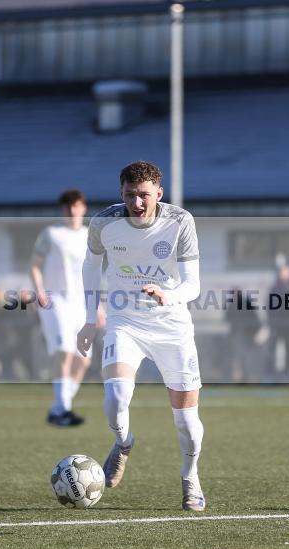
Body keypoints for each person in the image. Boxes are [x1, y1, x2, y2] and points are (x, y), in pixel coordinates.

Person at [77, 161, 205, 512]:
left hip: (172, 326)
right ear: (121, 193)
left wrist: (171, 295)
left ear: (158, 194)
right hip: (125, 323)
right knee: (116, 396)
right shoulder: (104, 222)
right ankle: (123, 444)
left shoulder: (180, 221)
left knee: (186, 421)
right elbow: (90, 266)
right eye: (130, 195)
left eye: (144, 195)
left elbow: (193, 284)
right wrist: (90, 319)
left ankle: (190, 477)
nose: (137, 203)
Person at [30, 189, 91, 426]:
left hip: (81, 303)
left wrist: (99, 305)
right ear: (62, 209)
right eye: (67, 206)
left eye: (76, 205)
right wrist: (40, 290)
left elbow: (95, 273)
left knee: (83, 360)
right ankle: (63, 408)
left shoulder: (89, 236)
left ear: (83, 207)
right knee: (64, 350)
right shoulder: (51, 234)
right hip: (56, 300)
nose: (72, 210)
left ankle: (58, 408)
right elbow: (35, 265)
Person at [224, 288, 262, 383]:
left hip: (246, 335)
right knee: (239, 357)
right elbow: (227, 317)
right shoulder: (234, 304)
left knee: (245, 356)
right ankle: (241, 377)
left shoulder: (244, 303)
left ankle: (247, 376)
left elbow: (254, 318)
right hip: (239, 335)